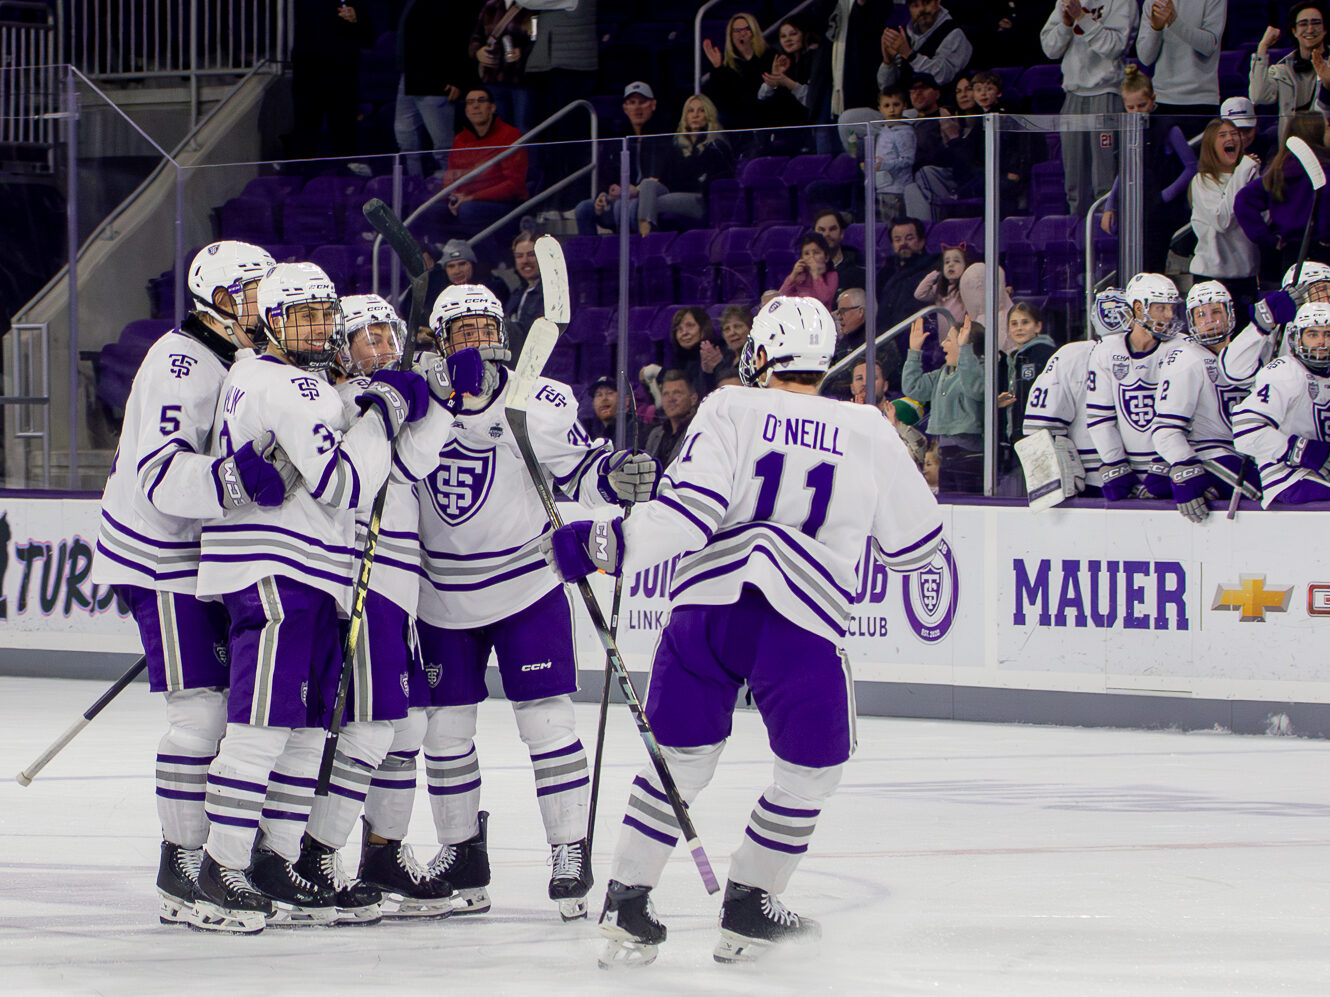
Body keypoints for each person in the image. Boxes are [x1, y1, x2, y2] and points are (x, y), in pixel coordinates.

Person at [542, 296, 942, 968]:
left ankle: (627, 899)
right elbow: (917, 546)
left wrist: (602, 541)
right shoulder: (868, 428)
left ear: (758, 354)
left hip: (707, 612)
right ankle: (751, 899)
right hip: (802, 622)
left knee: (679, 762)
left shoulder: (729, 405)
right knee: (811, 771)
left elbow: (686, 515)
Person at [191, 263, 436, 932]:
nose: (317, 325)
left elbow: (319, 432)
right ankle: (223, 863)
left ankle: (274, 859)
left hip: (304, 572)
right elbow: (344, 484)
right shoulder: (291, 384)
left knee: (302, 730)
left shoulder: (253, 374)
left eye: (323, 313)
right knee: (263, 727)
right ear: (271, 318)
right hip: (275, 572)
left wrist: (359, 403)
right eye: (300, 314)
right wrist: (382, 416)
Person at [411, 284, 659, 921]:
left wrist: (614, 476)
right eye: (459, 330)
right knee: (444, 733)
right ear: (437, 342)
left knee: (547, 724)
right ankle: (463, 852)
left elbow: (581, 470)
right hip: (441, 596)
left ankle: (569, 850)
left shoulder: (539, 400)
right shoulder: (412, 400)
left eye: (482, 326)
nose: (473, 340)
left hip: (527, 585)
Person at [90, 241, 280, 927]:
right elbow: (162, 477)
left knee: (236, 710)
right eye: (254, 293)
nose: (265, 305)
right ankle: (183, 861)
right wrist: (238, 479)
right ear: (221, 301)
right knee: (199, 714)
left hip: (203, 557)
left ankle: (221, 849)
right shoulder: (181, 363)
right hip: (160, 556)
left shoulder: (243, 357)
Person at [307, 294, 473, 922]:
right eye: (365, 338)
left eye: (388, 335)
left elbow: (417, 464)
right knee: (369, 727)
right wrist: (424, 404)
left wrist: (438, 396)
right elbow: (404, 465)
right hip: (362, 578)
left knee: (403, 730)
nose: (380, 348)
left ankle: (380, 852)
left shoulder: (394, 396)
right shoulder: (346, 402)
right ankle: (317, 856)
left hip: (399, 585)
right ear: (338, 348)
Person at [1150, 281, 1263, 523]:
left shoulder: (1247, 354)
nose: (1209, 320)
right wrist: (1184, 467)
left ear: (1230, 313)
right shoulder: (1186, 358)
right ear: (1191, 320)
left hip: (1246, 453)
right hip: (1209, 453)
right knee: (1262, 491)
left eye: (1216, 312)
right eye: (1201, 314)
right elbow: (1165, 430)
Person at [1023, 287, 1135, 497]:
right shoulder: (1073, 355)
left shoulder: (1070, 355)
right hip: (1104, 481)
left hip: (1105, 480)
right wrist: (1048, 483)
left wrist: (1047, 487)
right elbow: (1038, 427)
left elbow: (1037, 426)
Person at [1085, 271, 1182, 502]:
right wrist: (1115, 462)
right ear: (1138, 308)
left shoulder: (1182, 349)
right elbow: (1099, 417)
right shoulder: (1106, 351)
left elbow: (1188, 417)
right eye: (1161, 308)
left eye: (1172, 308)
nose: (1169, 315)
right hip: (1128, 470)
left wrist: (1167, 460)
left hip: (1170, 468)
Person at [1040, 0, 1136, 215]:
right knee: (1074, 182)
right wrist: (1065, 25)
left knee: (1105, 179)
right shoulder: (1067, 1)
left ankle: (1107, 239)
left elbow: (1116, 46)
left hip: (1106, 93)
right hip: (1074, 94)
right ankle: (1080, 239)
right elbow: (1050, 49)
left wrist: (1083, 19)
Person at [1099, 66, 1198, 275]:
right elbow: (1124, 170)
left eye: (1141, 105)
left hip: (1160, 212)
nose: (1137, 112)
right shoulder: (1126, 130)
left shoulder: (1168, 128)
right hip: (1134, 209)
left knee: (1153, 264)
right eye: (1131, 107)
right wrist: (1110, 205)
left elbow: (1191, 166)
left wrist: (1163, 196)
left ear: (1152, 100)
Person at [1233, 299, 1330, 504]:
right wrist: (1305, 451)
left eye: (1328, 334)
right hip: (1289, 479)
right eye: (1313, 334)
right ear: (1297, 338)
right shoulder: (1284, 372)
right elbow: (1246, 431)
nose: (1322, 342)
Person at [1234, 113, 1330, 282]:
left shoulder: (1280, 170)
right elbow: (1244, 201)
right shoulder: (1323, 170)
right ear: (1315, 133)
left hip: (1290, 255)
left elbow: (1243, 200)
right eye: (1328, 127)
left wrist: (1268, 240)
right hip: (1321, 253)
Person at [394, 0, 480, 178]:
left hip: (436, 81)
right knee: (406, 140)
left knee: (443, 145)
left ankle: (452, 192)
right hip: (409, 77)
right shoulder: (411, 3)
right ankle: (414, 187)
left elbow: (462, 36)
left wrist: (458, 78)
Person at [574, 83, 672, 235]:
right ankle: (591, 256)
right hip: (622, 197)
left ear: (653, 105)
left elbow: (661, 177)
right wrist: (603, 194)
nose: (637, 108)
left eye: (642, 102)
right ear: (625, 108)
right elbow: (607, 174)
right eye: (632, 103)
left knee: (629, 206)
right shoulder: (618, 138)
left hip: (650, 197)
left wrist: (635, 190)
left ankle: (633, 254)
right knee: (584, 208)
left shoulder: (663, 136)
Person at [902, 313, 985, 493]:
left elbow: (975, 389)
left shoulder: (979, 370)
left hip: (970, 453)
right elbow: (913, 388)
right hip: (944, 451)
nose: (942, 344)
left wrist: (964, 351)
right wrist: (914, 351)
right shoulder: (943, 372)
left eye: (949, 340)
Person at [1188, 118, 1261, 320]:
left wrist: (1248, 175)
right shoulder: (1202, 181)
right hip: (1211, 278)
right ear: (1211, 145)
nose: (1231, 138)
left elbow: (1262, 220)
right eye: (1223, 135)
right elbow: (1222, 221)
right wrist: (1242, 172)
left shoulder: (1248, 175)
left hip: (1246, 277)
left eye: (1234, 134)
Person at [637, 94, 735, 237]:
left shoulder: (716, 145)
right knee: (647, 185)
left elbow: (710, 181)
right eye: (690, 111)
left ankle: (647, 239)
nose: (695, 115)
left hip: (701, 200)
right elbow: (666, 180)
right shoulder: (678, 146)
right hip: (675, 196)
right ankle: (645, 232)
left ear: (708, 115)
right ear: (685, 117)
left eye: (701, 111)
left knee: (655, 203)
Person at [287, 0, 372, 162]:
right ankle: (303, 177)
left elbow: (368, 35)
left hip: (342, 70)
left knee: (343, 130)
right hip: (308, 68)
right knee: (306, 129)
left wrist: (356, 19)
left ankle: (346, 177)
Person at [443, 87, 528, 242]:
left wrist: (471, 197)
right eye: (470, 102)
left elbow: (514, 185)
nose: (476, 106)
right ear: (466, 110)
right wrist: (452, 196)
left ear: (492, 108)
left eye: (481, 101)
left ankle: (493, 262)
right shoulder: (460, 139)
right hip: (467, 200)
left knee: (468, 210)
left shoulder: (510, 135)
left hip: (504, 203)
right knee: (429, 211)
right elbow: (451, 175)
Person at [1133, 0, 1226, 126]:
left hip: (1201, 100)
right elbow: (1145, 58)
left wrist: (1174, 22)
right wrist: (1156, 29)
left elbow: (1209, 46)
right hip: (1162, 99)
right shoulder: (1153, 1)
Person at [997, 302, 1057, 487]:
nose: (1019, 328)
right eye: (1014, 324)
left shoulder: (1046, 354)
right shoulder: (1009, 358)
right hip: (1015, 436)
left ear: (1038, 326)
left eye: (1025, 322)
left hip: (1038, 436)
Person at [1250, 3, 1327, 126]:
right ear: (1294, 31)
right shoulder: (1284, 68)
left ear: (1325, 29)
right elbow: (1259, 96)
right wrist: (1262, 47)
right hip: (1290, 141)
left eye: (1316, 23)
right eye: (1303, 24)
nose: (1310, 29)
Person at [702, 12, 774, 135]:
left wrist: (749, 55)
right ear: (731, 36)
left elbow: (758, 95)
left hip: (765, 118)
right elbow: (721, 99)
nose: (742, 34)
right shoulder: (727, 66)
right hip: (737, 123)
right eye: (737, 31)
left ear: (754, 31)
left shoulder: (770, 56)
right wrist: (717, 68)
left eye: (747, 29)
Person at [469, 0, 535, 134]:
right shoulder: (490, 6)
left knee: (523, 129)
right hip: (493, 79)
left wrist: (522, 52)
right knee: (499, 130)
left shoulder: (533, 6)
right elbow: (476, 37)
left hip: (521, 80)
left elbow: (537, 39)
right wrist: (478, 53)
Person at [826, 286, 904, 399]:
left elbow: (874, 384)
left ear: (860, 311)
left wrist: (830, 386)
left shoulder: (879, 342)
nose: (839, 317)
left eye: (843, 311)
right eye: (837, 313)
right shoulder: (843, 341)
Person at [877, 0, 973, 91]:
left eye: (927, 2)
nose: (922, 9)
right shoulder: (904, 35)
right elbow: (886, 88)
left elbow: (942, 77)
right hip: (906, 105)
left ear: (938, 2)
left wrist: (910, 55)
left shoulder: (954, 34)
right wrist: (888, 62)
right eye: (915, 5)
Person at [877, 217, 940, 340]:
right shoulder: (885, 273)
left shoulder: (932, 270)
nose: (903, 243)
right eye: (898, 239)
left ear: (921, 242)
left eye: (909, 238)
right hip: (885, 339)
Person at [874, 86, 917, 223]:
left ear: (904, 106)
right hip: (882, 186)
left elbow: (908, 159)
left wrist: (884, 164)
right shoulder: (884, 130)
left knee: (896, 225)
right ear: (880, 108)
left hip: (897, 189)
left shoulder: (904, 131)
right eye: (887, 105)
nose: (892, 109)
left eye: (896, 105)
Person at [644, 368, 698, 465]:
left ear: (693, 399)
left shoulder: (698, 432)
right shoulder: (655, 434)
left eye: (677, 393)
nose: (671, 399)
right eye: (666, 394)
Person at [504, 233, 541, 361]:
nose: (525, 261)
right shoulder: (517, 293)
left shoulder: (550, 293)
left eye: (531, 255)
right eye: (519, 256)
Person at [779, 232, 839, 309]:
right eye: (806, 254)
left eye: (816, 253)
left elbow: (825, 300)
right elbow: (781, 296)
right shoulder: (799, 275)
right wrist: (793, 276)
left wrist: (816, 274)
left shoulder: (832, 275)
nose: (811, 257)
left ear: (826, 257)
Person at [813, 210, 865, 291]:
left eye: (832, 229)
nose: (827, 234)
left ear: (842, 233)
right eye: (822, 230)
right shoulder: (805, 269)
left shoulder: (857, 270)